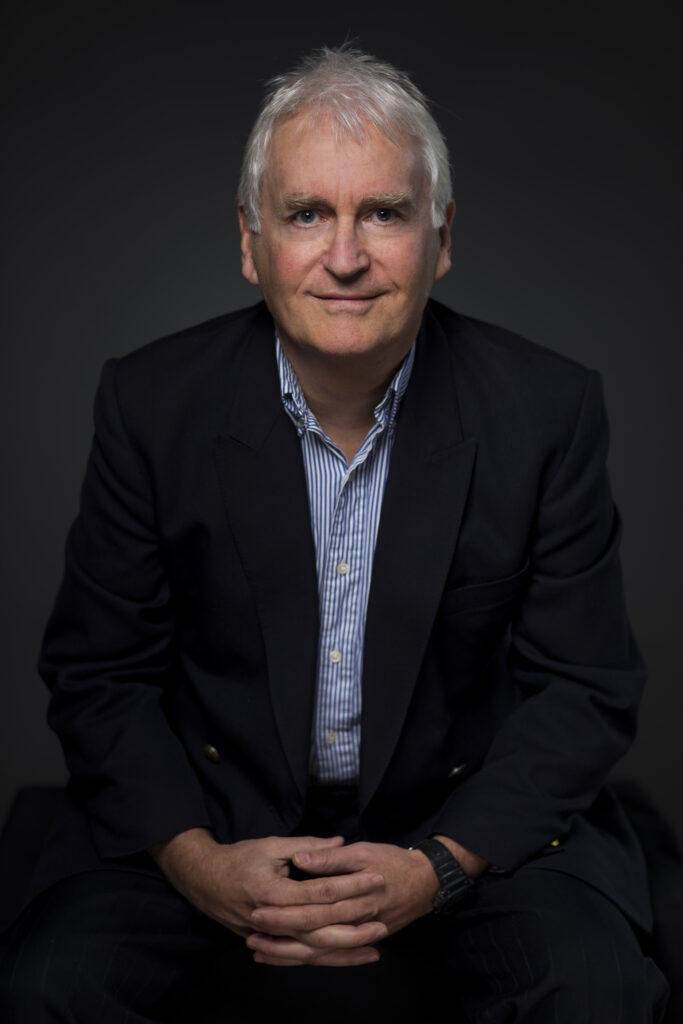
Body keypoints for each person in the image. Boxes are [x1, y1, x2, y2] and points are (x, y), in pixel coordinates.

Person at [0, 46, 670, 1022]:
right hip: (214, 816)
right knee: (49, 989)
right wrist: (195, 862)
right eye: (306, 212)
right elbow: (99, 674)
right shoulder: (150, 403)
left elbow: (582, 686)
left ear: (440, 239)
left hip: (461, 821)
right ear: (249, 240)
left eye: (384, 214)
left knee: (596, 990)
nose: (345, 255)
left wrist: (438, 866)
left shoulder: (544, 410)